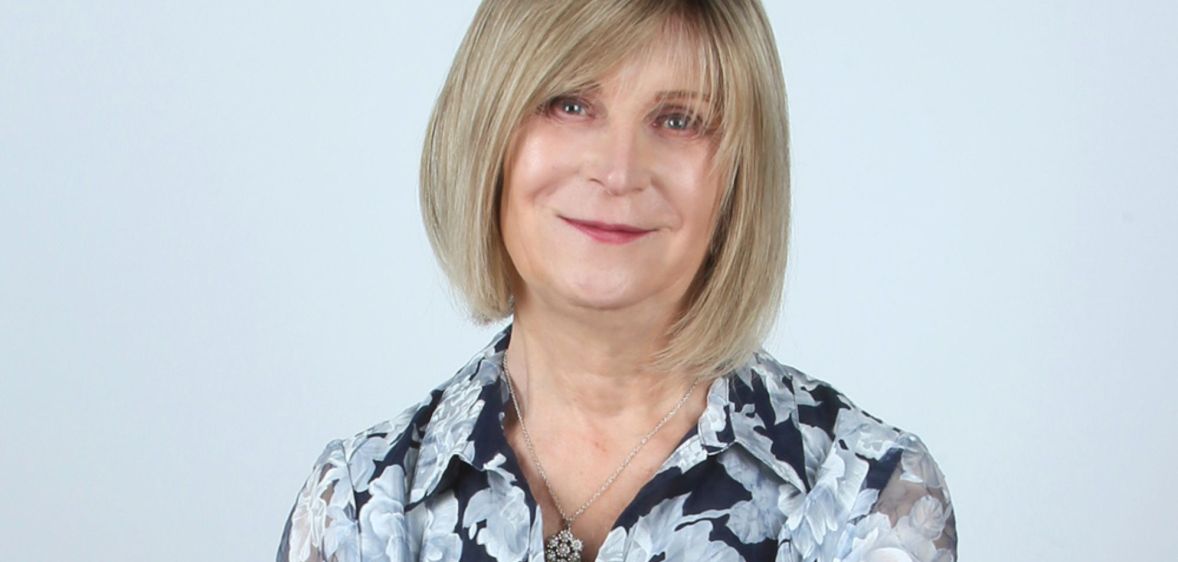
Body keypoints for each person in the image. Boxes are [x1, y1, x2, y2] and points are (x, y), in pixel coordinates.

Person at [276, 0, 957, 560]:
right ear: (488, 137)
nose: (619, 169)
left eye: (677, 119)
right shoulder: (361, 503)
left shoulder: (866, 495)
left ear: (738, 180)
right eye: (571, 104)